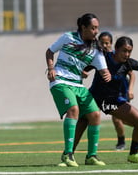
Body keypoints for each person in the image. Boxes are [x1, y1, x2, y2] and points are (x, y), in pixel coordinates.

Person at [74, 36, 138, 163]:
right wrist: (83, 72)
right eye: (124, 51)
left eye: (129, 51)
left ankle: (133, 155)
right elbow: (84, 67)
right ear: (116, 49)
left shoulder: (129, 63)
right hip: (94, 98)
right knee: (83, 122)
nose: (127, 54)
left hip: (112, 102)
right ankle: (69, 154)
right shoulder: (103, 57)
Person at [45, 13, 111, 167]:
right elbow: (50, 51)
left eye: (97, 28)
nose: (96, 31)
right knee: (73, 109)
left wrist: (106, 74)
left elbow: (103, 70)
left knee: (95, 114)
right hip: (60, 81)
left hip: (78, 85)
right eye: (93, 28)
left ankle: (91, 156)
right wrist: (50, 68)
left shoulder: (96, 49)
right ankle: (68, 154)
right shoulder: (68, 37)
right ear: (83, 27)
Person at [84, 32, 138, 151]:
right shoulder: (102, 57)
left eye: (107, 43)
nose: (105, 45)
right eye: (102, 43)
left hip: (121, 92)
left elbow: (132, 74)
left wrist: (130, 90)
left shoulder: (123, 60)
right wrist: (84, 71)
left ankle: (122, 143)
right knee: (115, 118)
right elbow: (90, 66)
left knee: (118, 119)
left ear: (112, 44)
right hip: (103, 95)